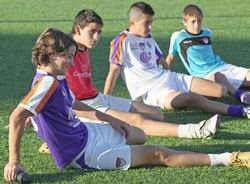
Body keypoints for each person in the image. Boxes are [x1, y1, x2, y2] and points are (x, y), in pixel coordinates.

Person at [4, 27, 250, 183]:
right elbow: (17, 117)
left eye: (71, 56)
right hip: (82, 153)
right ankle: (230, 158)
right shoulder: (46, 83)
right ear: (48, 54)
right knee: (159, 153)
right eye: (65, 56)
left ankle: (52, 143)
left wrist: (111, 119)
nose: (70, 61)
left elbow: (71, 102)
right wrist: (14, 161)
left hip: (86, 133)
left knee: (138, 134)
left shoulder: (55, 77)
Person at [65, 8, 221, 139]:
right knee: (137, 120)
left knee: (156, 114)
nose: (96, 37)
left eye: (99, 32)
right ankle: (196, 130)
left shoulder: (83, 47)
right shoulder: (65, 50)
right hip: (82, 106)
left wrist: (106, 99)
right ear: (78, 29)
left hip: (97, 98)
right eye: (92, 32)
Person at [103, 1, 250, 119]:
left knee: (220, 90)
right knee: (193, 99)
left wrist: (174, 78)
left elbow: (162, 61)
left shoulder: (148, 37)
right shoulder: (122, 40)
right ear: (133, 22)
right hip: (152, 91)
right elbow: (113, 72)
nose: (150, 26)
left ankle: (234, 96)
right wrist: (105, 101)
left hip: (170, 78)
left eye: (151, 22)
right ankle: (242, 111)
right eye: (146, 23)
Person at [166, 4, 250, 104]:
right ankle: (240, 95)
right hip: (204, 76)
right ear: (184, 22)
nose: (197, 25)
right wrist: (166, 81)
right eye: (193, 22)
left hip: (222, 66)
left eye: (199, 21)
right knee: (219, 79)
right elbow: (170, 58)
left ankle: (239, 87)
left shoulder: (207, 32)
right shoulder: (178, 37)